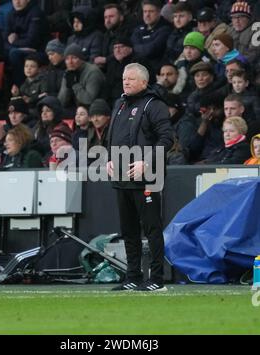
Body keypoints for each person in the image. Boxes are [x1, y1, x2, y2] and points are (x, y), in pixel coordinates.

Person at [106, 63, 173, 291]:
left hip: (147, 177)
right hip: (122, 178)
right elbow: (113, 136)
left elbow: (166, 140)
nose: (126, 82)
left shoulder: (154, 106)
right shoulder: (120, 104)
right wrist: (110, 158)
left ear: (144, 82)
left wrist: (147, 162)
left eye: (131, 79)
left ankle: (157, 279)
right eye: (124, 78)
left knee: (152, 228)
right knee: (129, 230)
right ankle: (132, 276)